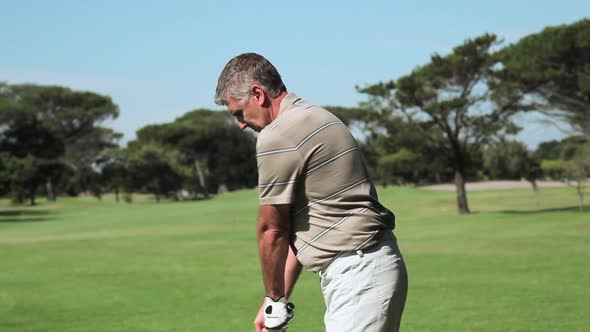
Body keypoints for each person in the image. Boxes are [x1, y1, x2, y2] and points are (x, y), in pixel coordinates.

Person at [214, 53, 408, 332]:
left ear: (257, 94)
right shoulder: (314, 115)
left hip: (359, 273)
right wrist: (275, 299)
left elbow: (272, 230)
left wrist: (275, 302)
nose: (241, 124)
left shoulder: (277, 134)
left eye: (238, 113)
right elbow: (300, 231)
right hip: (371, 268)